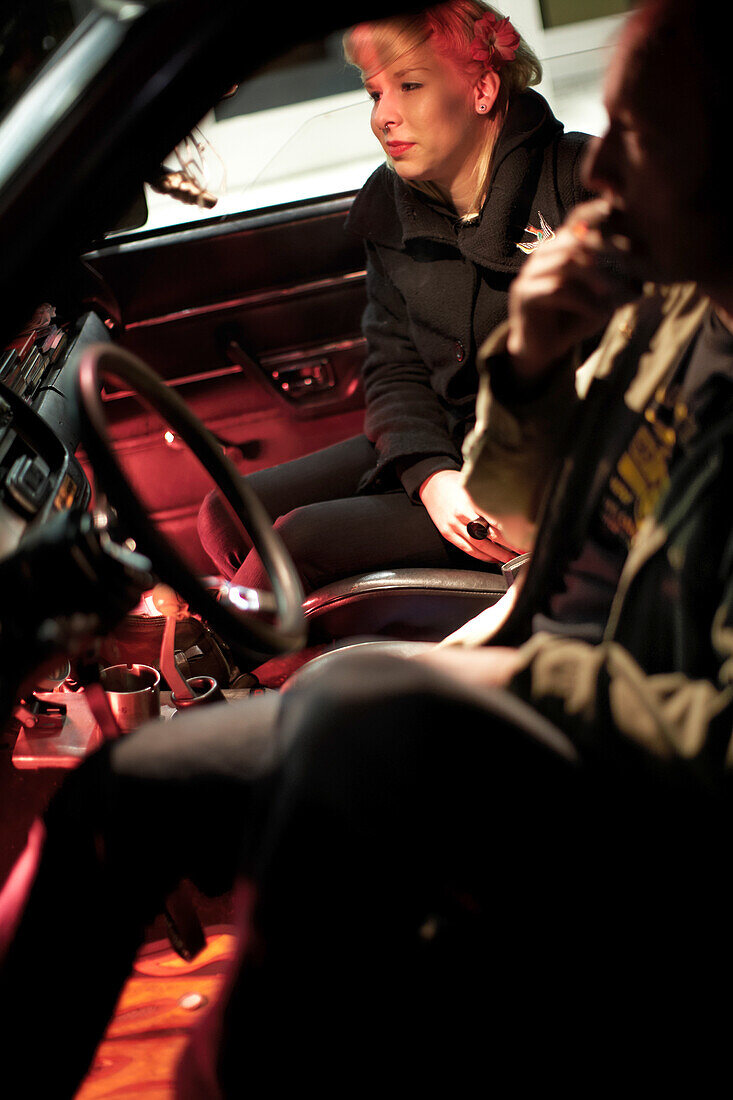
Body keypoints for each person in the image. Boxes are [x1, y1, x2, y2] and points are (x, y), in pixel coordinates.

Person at [3, 0, 733, 1090]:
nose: (607, 172)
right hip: (542, 662)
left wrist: (492, 671)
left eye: (641, 138)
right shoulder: (659, 315)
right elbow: (530, 526)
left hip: (625, 766)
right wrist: (528, 371)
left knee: (349, 707)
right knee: (131, 783)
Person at [197, 0, 592, 594]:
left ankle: (234, 664)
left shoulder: (582, 182)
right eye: (375, 93)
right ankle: (270, 642)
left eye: (409, 85)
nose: (385, 116)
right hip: (450, 448)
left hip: (547, 479)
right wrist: (432, 476)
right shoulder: (392, 206)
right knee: (225, 513)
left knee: (298, 541)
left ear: (482, 88)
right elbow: (395, 366)